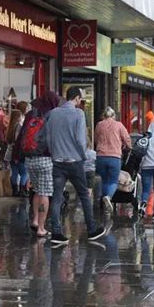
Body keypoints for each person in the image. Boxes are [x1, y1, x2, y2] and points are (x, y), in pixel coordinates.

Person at [46, 87, 105, 245]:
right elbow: (80, 140)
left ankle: (56, 232)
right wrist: (84, 156)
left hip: (58, 162)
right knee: (84, 195)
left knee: (57, 197)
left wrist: (54, 154)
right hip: (75, 162)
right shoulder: (78, 114)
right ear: (77, 98)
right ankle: (91, 229)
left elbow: (49, 138)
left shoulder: (53, 113)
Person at [23, 91, 60, 238]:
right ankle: (41, 228)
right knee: (45, 193)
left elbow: (22, 136)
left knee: (37, 190)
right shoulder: (52, 115)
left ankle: (35, 220)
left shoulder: (31, 114)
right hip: (45, 159)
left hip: (29, 159)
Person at [94, 106, 131, 214]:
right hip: (114, 157)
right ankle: (108, 197)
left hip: (100, 156)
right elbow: (127, 138)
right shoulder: (119, 125)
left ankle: (105, 202)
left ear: (103, 115)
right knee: (113, 181)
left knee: (104, 180)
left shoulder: (99, 125)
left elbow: (96, 139)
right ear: (114, 115)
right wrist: (128, 146)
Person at [5, 109, 29, 197]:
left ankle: (14, 190)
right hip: (18, 153)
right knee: (24, 173)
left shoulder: (10, 127)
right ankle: (22, 190)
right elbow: (18, 140)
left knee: (14, 172)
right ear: (18, 117)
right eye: (21, 116)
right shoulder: (19, 126)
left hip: (10, 153)